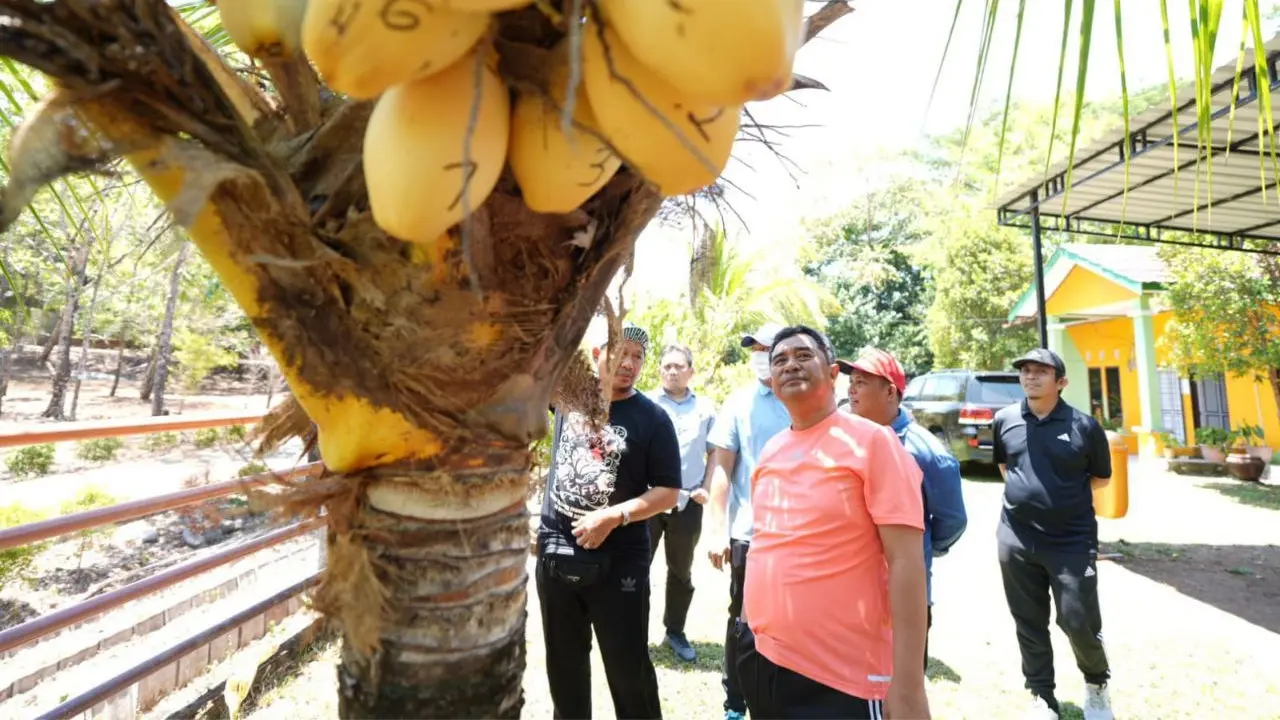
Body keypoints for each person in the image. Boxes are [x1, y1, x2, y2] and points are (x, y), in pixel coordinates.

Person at [739, 325, 932, 720]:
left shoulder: (873, 443)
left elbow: (907, 562)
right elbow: (767, 544)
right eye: (779, 360)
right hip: (764, 659)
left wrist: (908, 684)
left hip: (843, 677)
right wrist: (745, 626)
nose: (790, 365)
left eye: (803, 355)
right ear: (772, 382)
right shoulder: (773, 451)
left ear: (832, 375)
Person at [535, 323, 682, 719]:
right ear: (597, 355)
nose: (630, 363)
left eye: (638, 356)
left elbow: (668, 490)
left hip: (620, 565)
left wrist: (615, 515)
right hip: (556, 555)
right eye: (621, 352)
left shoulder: (653, 419)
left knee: (628, 671)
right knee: (564, 671)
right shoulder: (567, 398)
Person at [992, 348, 1114, 720]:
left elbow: (1101, 477)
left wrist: (1058, 504)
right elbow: (1005, 465)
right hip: (1016, 538)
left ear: (1061, 382)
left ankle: (1097, 683)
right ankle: (1042, 696)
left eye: (1040, 371)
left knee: (1078, 621)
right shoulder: (1005, 419)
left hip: (1070, 542)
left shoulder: (1084, 426)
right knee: (1028, 620)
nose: (1030, 377)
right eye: (1025, 371)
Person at [841, 347, 968, 672]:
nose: (851, 389)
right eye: (851, 382)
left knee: (899, 691)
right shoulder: (844, 439)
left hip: (900, 597)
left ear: (890, 391)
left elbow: (951, 519)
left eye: (861, 382)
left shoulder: (925, 452)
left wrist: (921, 549)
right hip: (847, 590)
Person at [704, 322, 792, 720]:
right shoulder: (739, 403)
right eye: (753, 348)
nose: (758, 354)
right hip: (749, 534)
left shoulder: (804, 398)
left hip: (802, 535)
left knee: (797, 617)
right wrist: (717, 528)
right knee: (742, 619)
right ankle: (736, 700)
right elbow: (722, 468)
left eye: (765, 347)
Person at [646, 343, 718, 662]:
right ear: (659, 370)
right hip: (645, 501)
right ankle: (629, 632)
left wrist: (706, 487)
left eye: (679, 366)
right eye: (667, 366)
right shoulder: (644, 403)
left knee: (680, 571)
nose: (672, 371)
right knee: (635, 567)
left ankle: (675, 631)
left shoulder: (705, 408)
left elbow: (716, 452)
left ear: (690, 371)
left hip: (689, 502)